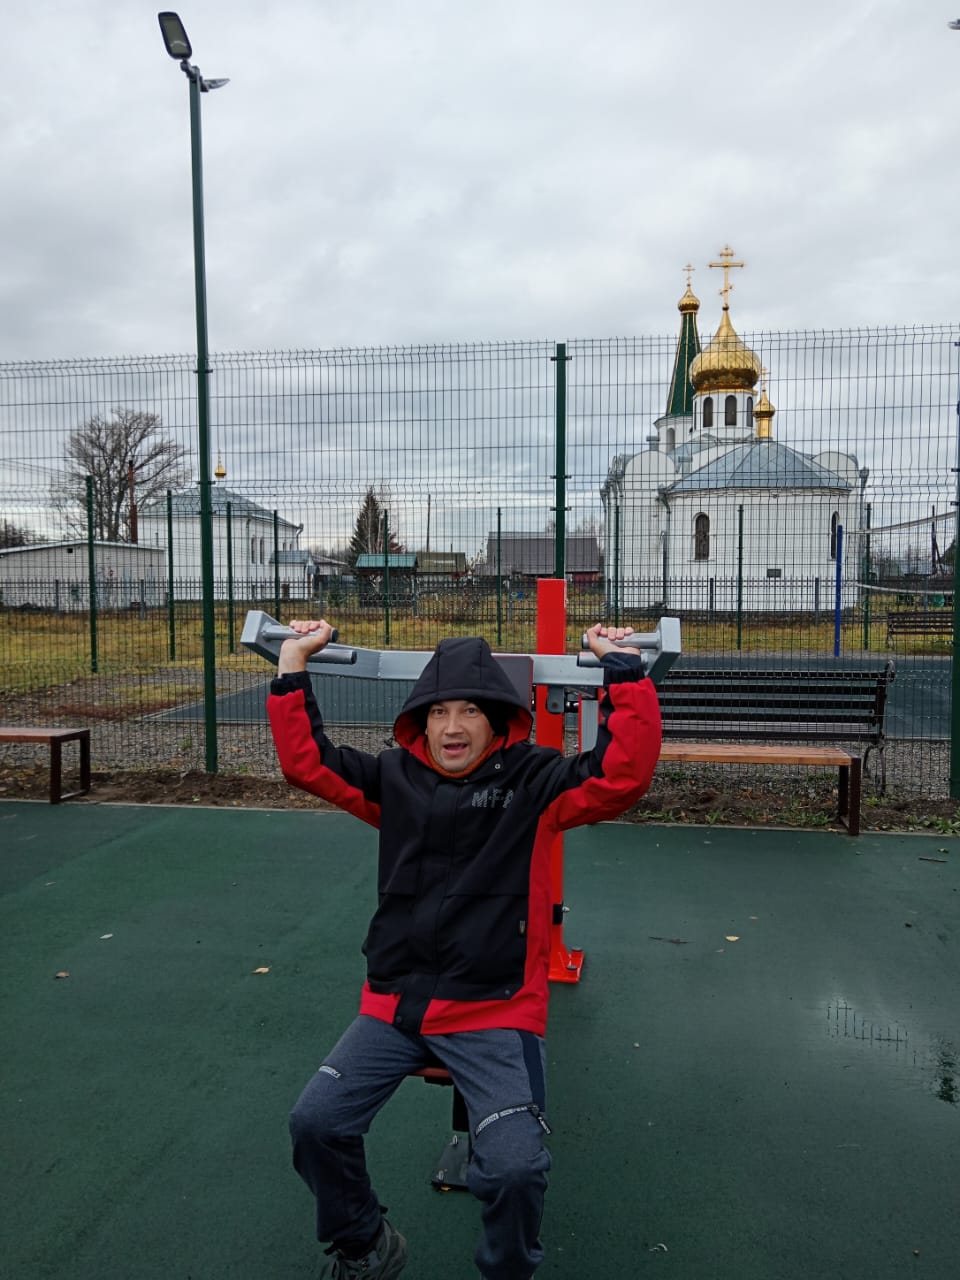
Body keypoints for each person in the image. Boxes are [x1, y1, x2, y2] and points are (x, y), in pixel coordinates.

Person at [267, 621, 662, 1280]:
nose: (453, 725)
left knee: (514, 1167)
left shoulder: (534, 786)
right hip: (397, 1003)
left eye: (471, 710)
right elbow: (306, 761)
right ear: (419, 724)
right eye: (439, 712)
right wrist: (291, 661)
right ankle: (364, 1244)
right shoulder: (394, 780)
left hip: (494, 1008)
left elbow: (622, 775)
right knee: (315, 1123)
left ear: (500, 720)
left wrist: (622, 669)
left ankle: (507, 1271)